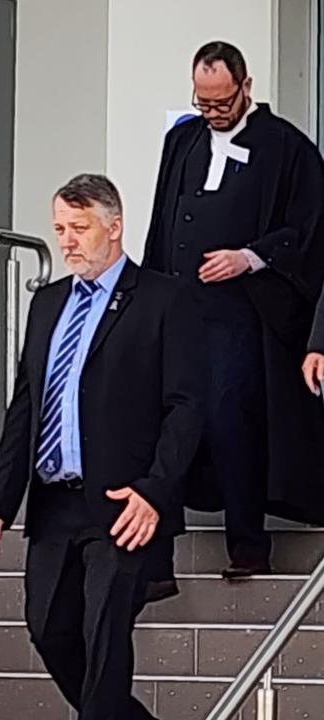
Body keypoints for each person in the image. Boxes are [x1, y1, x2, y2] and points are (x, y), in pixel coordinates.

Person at [0, 175, 204, 720]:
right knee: (49, 629)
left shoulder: (163, 298)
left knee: (104, 639)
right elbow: (25, 407)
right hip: (55, 500)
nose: (68, 241)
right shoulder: (47, 303)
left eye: (80, 228)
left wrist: (154, 492)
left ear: (115, 226)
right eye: (59, 229)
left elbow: (188, 408)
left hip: (124, 500)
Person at [143, 41, 324, 577]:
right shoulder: (182, 139)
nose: (214, 113)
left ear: (246, 87)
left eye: (222, 102)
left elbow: (311, 231)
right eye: (204, 102)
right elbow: (164, 216)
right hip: (182, 305)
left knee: (229, 419)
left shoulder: (287, 147)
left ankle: (248, 544)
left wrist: (250, 257)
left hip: (241, 314)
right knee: (167, 417)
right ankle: (156, 555)